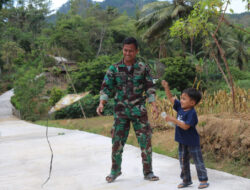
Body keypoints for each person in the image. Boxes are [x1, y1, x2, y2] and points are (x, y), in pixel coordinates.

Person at [96, 37, 159, 183]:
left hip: (139, 110)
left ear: (136, 51)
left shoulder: (143, 68)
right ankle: (114, 171)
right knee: (117, 142)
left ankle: (148, 172)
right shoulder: (114, 68)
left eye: (131, 51)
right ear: (122, 50)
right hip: (121, 111)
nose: (128, 53)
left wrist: (153, 105)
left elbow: (150, 88)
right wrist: (102, 103)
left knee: (145, 141)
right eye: (125, 50)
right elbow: (106, 87)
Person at [161, 80, 209, 189]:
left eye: (184, 99)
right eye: (181, 98)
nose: (181, 100)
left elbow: (186, 126)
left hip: (192, 142)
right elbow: (171, 98)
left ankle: (203, 180)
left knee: (198, 161)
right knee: (183, 161)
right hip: (182, 141)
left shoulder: (192, 113)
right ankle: (186, 180)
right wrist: (166, 87)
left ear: (192, 102)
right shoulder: (180, 107)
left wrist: (173, 119)